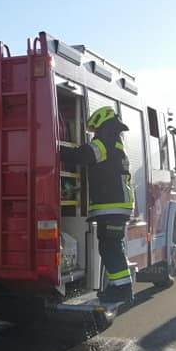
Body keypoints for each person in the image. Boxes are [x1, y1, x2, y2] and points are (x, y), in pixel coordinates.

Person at [62, 105, 135, 304]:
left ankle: (123, 290)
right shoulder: (115, 144)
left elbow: (80, 156)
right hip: (115, 206)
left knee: (110, 248)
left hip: (112, 207)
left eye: (95, 131)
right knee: (111, 246)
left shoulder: (104, 144)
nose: (93, 135)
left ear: (103, 127)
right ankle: (117, 287)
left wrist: (53, 148)